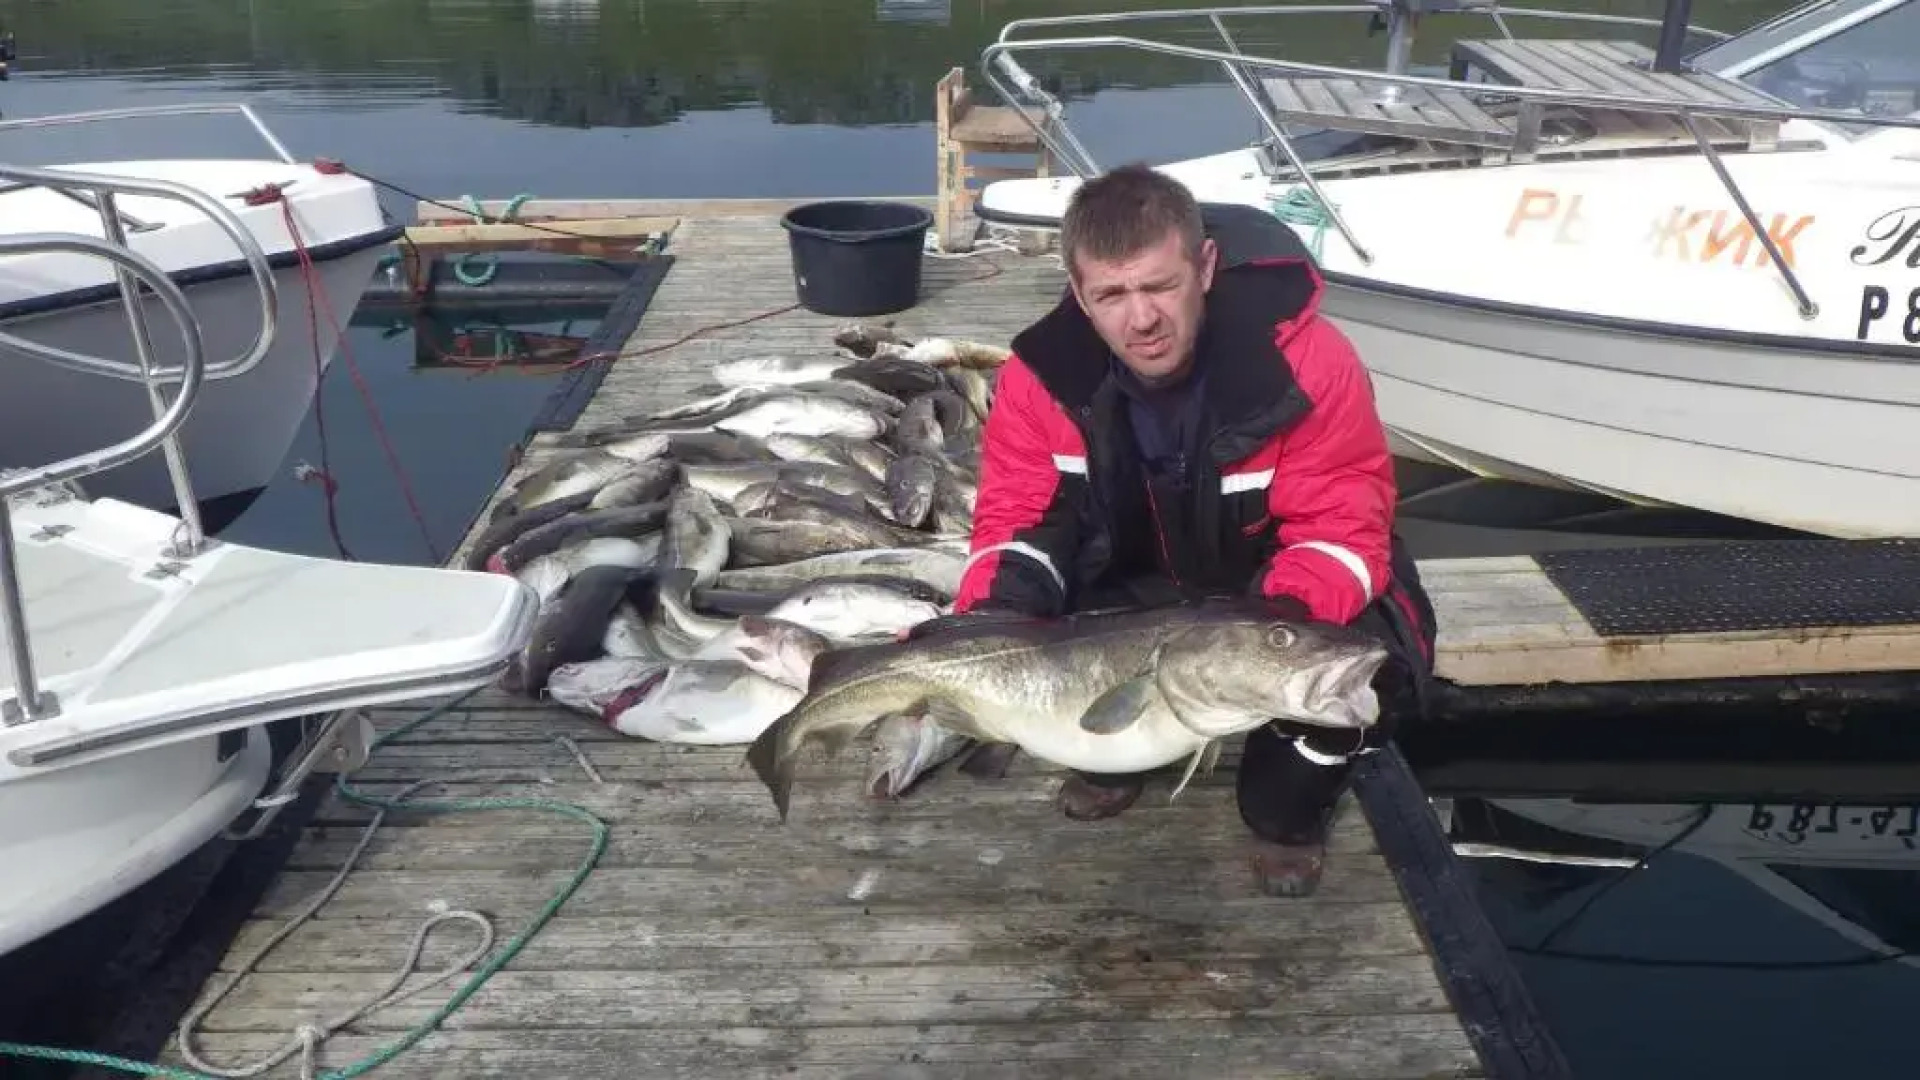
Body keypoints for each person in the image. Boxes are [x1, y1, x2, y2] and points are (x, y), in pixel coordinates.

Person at [948, 163, 1439, 898]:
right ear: (1079, 294)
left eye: (1160, 286)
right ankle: (1114, 759)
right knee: (1058, 684)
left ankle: (1285, 819)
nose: (1141, 319)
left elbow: (1343, 515)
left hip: (1271, 586)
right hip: (1128, 585)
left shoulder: (1309, 362)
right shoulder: (1036, 379)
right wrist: (993, 615)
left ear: (1204, 267)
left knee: (1366, 667)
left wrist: (1272, 631)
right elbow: (1018, 514)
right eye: (1112, 295)